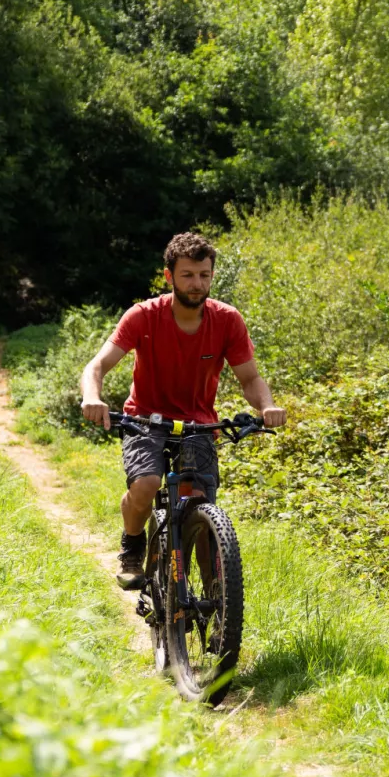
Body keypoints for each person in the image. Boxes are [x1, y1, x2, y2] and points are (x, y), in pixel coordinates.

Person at [80, 231, 286, 580]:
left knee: (201, 508)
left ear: (212, 276)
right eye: (188, 275)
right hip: (145, 419)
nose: (197, 283)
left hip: (198, 424)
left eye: (204, 275)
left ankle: (219, 605)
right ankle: (132, 545)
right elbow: (97, 366)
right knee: (145, 485)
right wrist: (92, 397)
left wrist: (267, 406)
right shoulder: (144, 316)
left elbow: (250, 379)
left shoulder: (227, 320)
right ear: (169, 276)